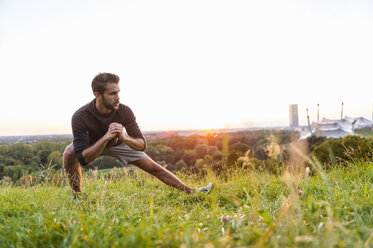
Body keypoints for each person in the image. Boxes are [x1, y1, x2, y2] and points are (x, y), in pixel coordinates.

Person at [63, 72, 212, 198]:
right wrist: (105, 137)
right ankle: (77, 197)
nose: (117, 97)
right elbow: (84, 159)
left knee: (154, 168)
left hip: (117, 143)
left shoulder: (124, 111)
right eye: (112, 93)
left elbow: (142, 145)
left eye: (118, 92)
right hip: (93, 145)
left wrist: (124, 137)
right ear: (98, 95)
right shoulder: (80, 116)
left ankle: (193, 193)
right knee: (69, 153)